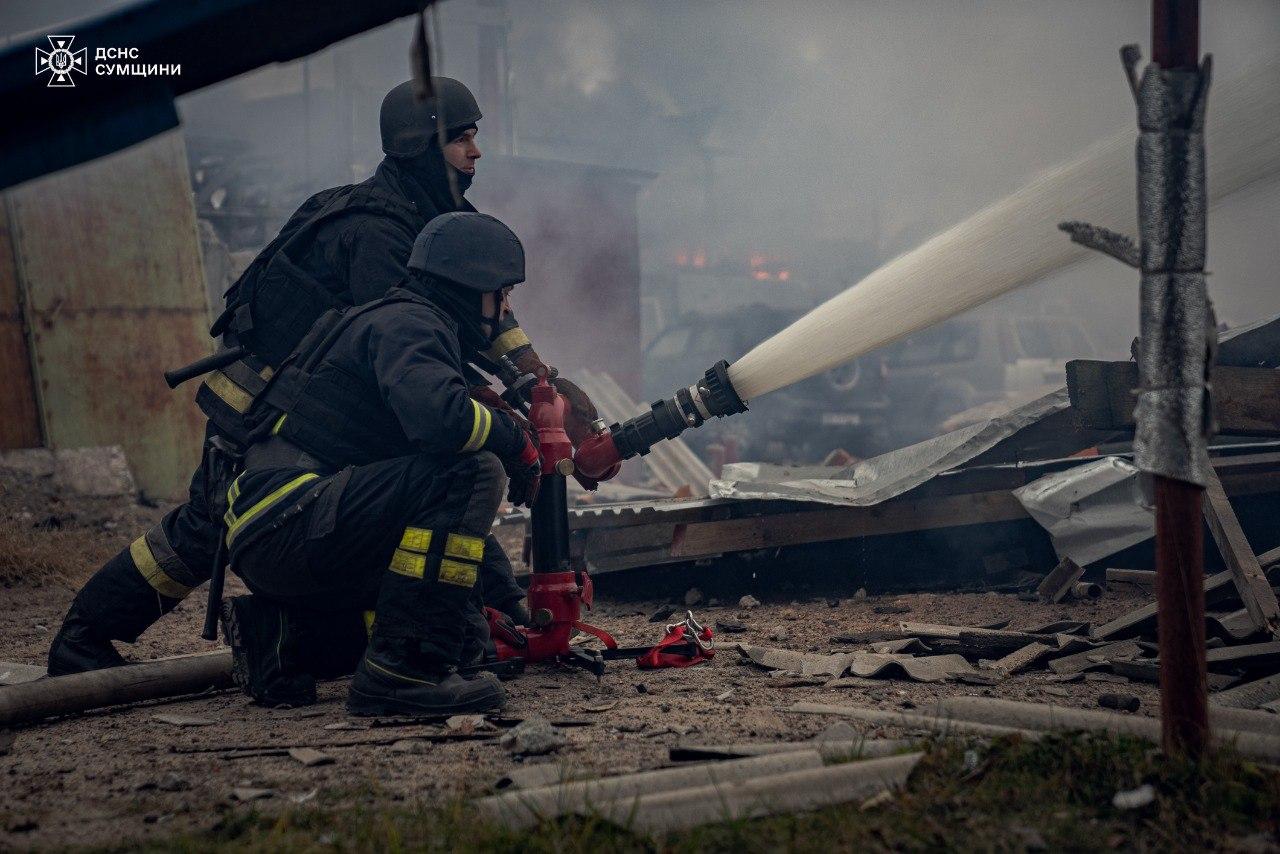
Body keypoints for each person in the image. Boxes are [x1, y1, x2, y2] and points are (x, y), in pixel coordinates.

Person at [47, 77, 598, 678]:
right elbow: (412, 358)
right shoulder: (379, 233)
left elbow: (486, 310)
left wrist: (536, 379)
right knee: (206, 528)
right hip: (266, 413)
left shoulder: (434, 215)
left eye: (474, 136)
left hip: (304, 406)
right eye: (462, 138)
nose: (476, 151)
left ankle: (480, 621)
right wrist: (506, 424)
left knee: (435, 483)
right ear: (419, 145)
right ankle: (83, 638)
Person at [226, 211, 536, 714]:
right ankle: (400, 674)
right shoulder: (411, 324)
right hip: (293, 515)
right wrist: (514, 440)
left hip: (283, 527)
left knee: (468, 644)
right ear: (467, 285)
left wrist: (506, 599)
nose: (504, 308)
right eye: (500, 292)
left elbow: (440, 513)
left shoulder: (402, 321)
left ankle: (285, 641)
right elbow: (444, 425)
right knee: (475, 469)